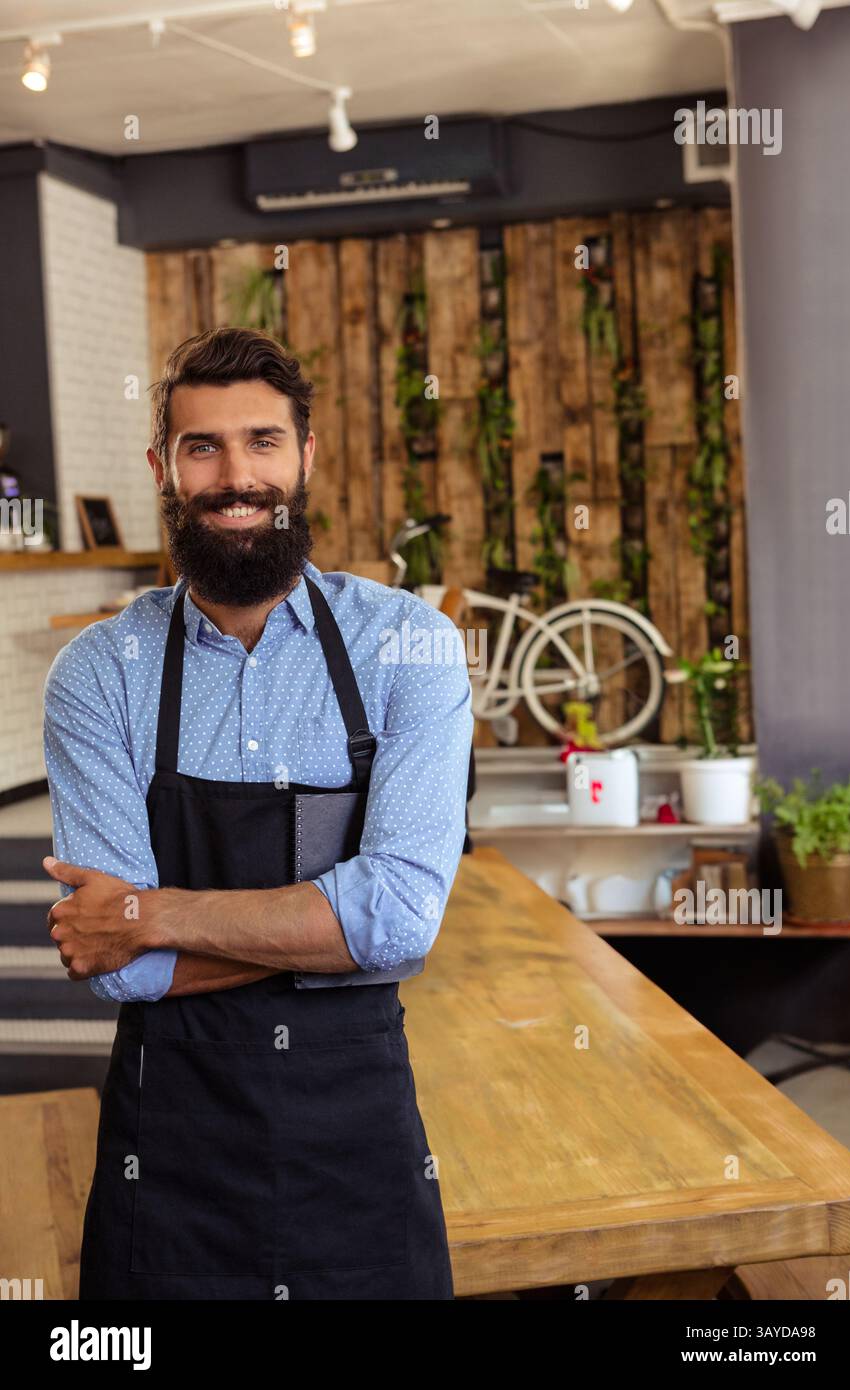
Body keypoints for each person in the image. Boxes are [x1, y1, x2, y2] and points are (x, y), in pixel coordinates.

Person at [42, 327, 474, 1300]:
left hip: (354, 1140)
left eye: (262, 441)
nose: (236, 476)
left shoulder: (407, 645)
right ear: (163, 467)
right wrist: (334, 925)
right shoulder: (98, 676)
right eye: (203, 447)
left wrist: (148, 913)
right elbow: (119, 976)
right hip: (170, 1151)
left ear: (305, 455)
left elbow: (400, 920)